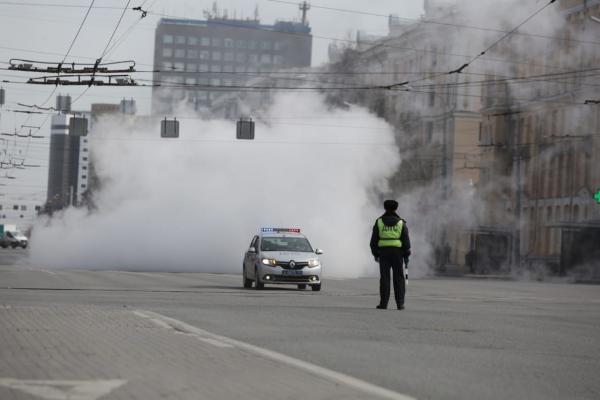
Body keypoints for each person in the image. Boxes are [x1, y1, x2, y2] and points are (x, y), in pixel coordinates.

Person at [370, 199, 411, 310]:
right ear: (396, 208)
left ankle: (383, 304)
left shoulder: (379, 222)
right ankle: (400, 304)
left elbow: (373, 241)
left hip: (383, 252)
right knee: (399, 278)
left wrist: (376, 254)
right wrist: (406, 254)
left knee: (385, 278)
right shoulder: (401, 223)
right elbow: (406, 241)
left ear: (385, 208)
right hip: (397, 253)